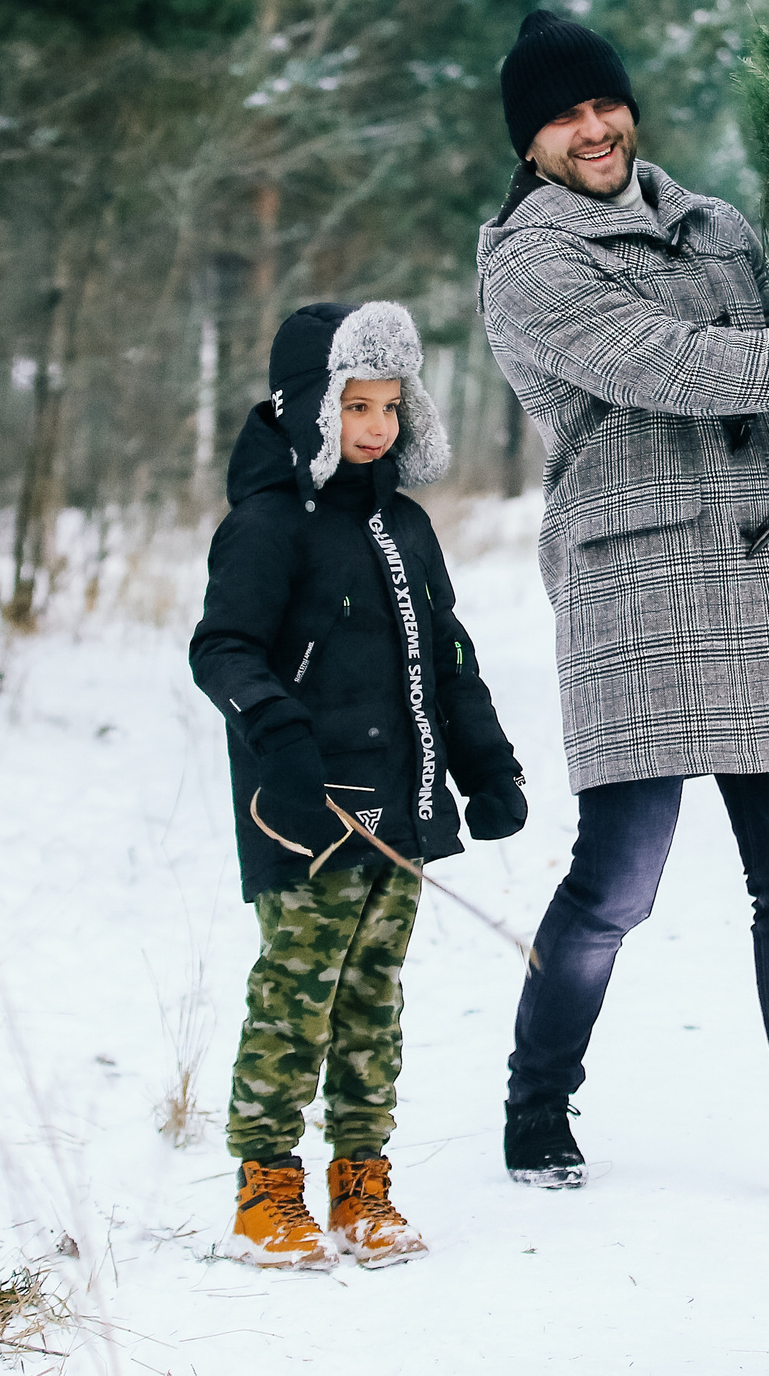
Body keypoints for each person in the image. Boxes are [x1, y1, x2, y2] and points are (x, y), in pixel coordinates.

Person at [476, 7, 769, 1223]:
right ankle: (537, 1097)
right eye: (562, 117)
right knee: (617, 884)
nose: (592, 129)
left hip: (759, 575)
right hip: (634, 589)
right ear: (528, 143)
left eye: (603, 104)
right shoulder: (527, 261)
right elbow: (673, 365)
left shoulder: (717, 228)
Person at [188, 301, 527, 1271]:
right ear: (308, 406)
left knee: (372, 1000)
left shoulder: (404, 525)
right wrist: (278, 732)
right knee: (297, 997)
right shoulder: (267, 526)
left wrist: (486, 766)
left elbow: (446, 657)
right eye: (355, 405)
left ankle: (361, 1182)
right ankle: (265, 1188)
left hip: (401, 811)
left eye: (390, 405)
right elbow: (222, 649)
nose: (377, 425)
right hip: (309, 811)